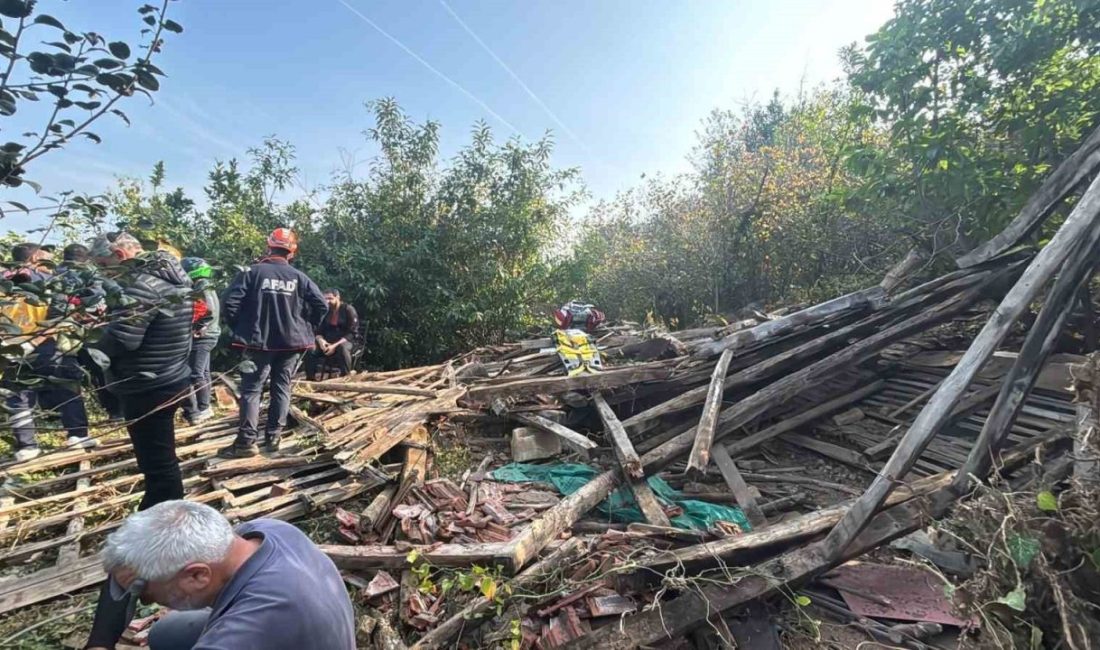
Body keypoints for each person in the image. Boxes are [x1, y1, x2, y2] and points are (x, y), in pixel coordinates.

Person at [86, 500, 356, 650]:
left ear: (197, 576)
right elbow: (123, 575)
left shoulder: (244, 632)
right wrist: (100, 643)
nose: (149, 601)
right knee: (166, 633)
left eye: (148, 596)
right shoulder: (265, 531)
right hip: (302, 626)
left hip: (282, 626)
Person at [89, 232, 193, 507]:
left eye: (102, 264)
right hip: (172, 374)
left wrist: (90, 340)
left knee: (157, 464)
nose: (103, 272)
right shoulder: (172, 278)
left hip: (149, 383)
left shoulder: (140, 285)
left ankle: (165, 517)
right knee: (161, 456)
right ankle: (164, 508)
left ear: (119, 256)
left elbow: (124, 339)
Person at [220, 228, 326, 457]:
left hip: (257, 342)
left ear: (269, 246)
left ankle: (246, 443)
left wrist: (241, 327)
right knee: (281, 387)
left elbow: (229, 303)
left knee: (251, 389)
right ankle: (273, 438)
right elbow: (321, 305)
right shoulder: (300, 278)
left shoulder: (252, 272)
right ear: (292, 252)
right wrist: (306, 326)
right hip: (292, 343)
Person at [3, 242, 97, 460]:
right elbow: (57, 315)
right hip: (45, 344)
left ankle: (26, 447)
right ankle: (77, 435)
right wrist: (35, 341)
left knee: (17, 396)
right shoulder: (48, 280)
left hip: (9, 347)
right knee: (66, 386)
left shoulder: (2, 281)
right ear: (35, 258)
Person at [180, 257, 220, 425]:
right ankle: (205, 406)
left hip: (204, 336)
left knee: (195, 373)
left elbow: (207, 310)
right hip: (211, 334)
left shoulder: (201, 286)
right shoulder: (206, 285)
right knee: (203, 372)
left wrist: (199, 326)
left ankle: (203, 408)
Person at [304, 288, 359, 380]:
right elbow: (318, 330)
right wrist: (321, 341)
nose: (327, 301)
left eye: (330, 298)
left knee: (342, 348)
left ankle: (345, 377)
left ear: (337, 297)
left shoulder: (348, 309)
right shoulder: (325, 310)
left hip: (345, 341)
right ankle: (310, 379)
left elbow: (352, 333)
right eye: (325, 299)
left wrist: (334, 346)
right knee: (310, 349)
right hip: (327, 341)